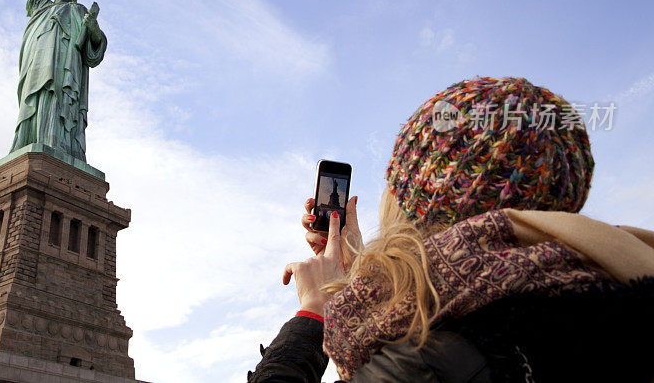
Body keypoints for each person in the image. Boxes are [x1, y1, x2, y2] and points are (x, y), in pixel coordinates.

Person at [248, 77, 654, 382]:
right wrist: (357, 274)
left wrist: (313, 313)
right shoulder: (612, 284)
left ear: (414, 205)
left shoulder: (434, 358)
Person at [11, 0, 107, 161]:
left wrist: (92, 28)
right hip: (37, 63)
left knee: (57, 99)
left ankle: (58, 143)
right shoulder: (42, 8)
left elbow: (95, 46)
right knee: (36, 99)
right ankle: (28, 141)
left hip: (64, 65)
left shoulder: (78, 10)